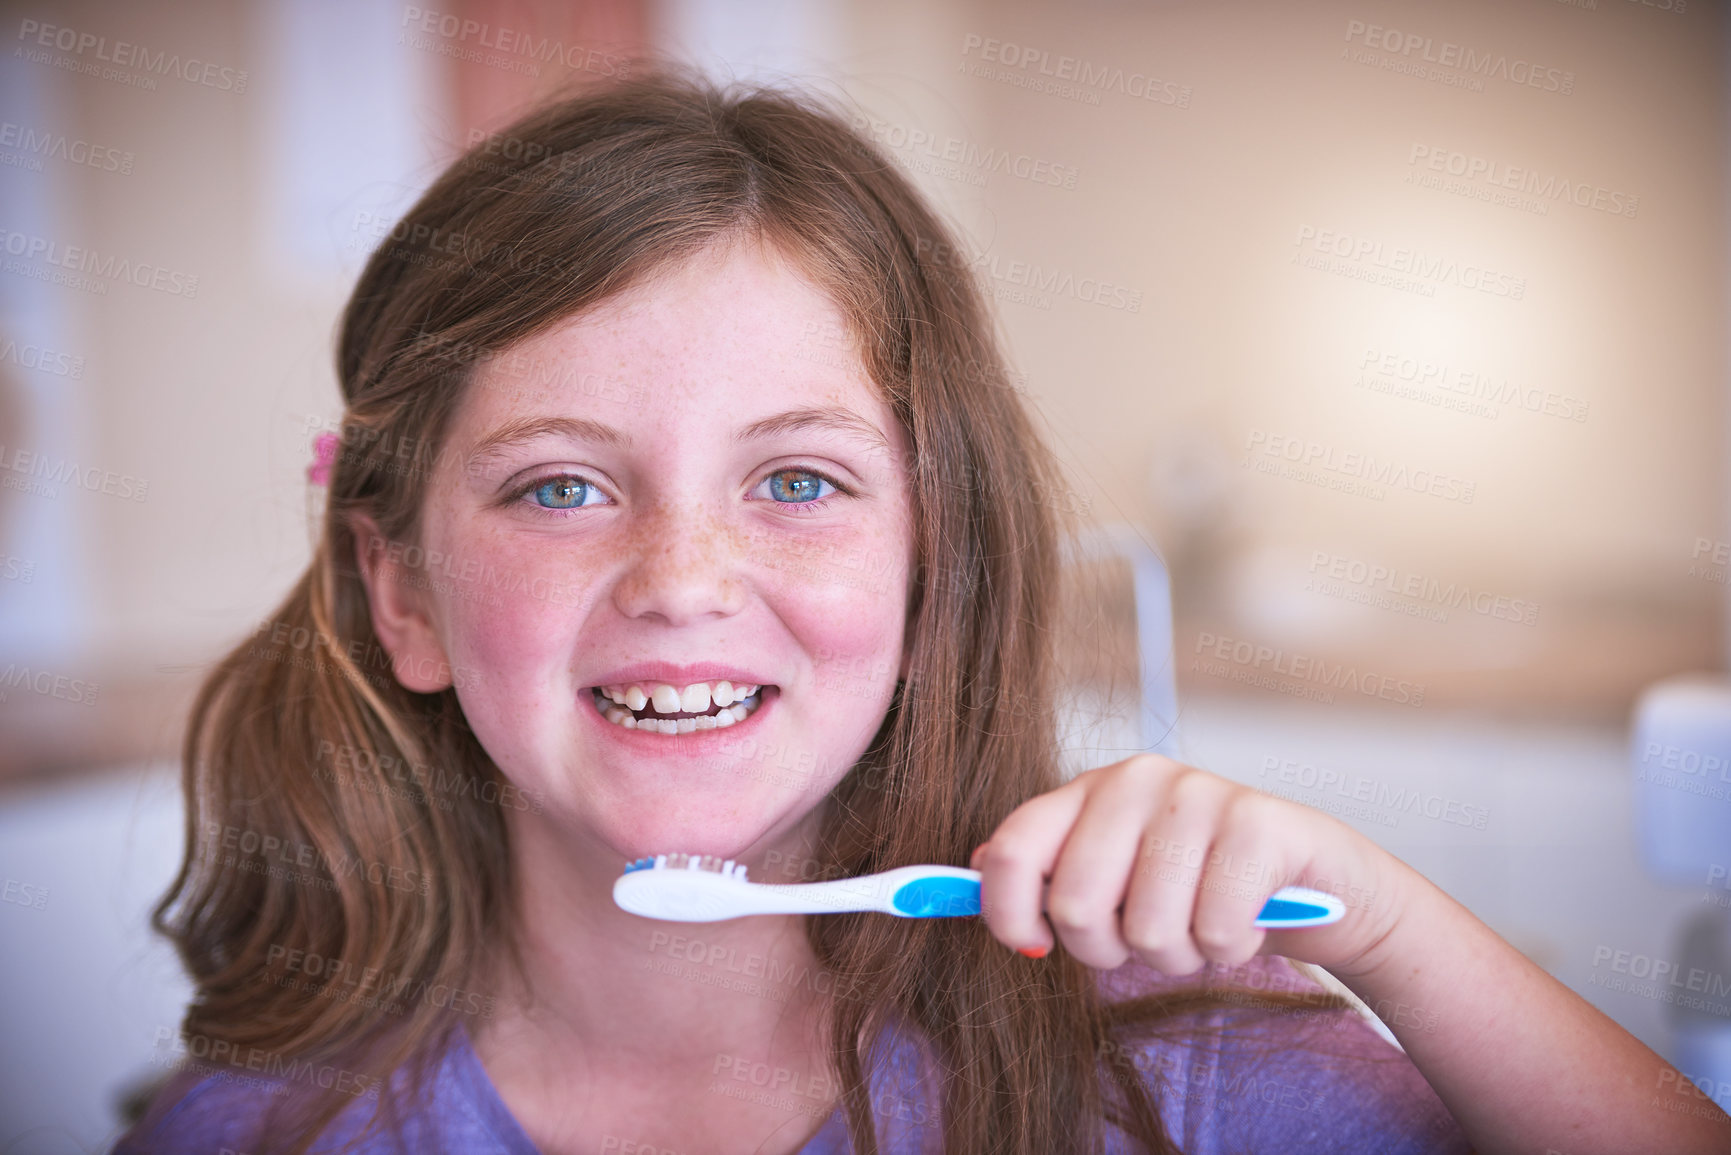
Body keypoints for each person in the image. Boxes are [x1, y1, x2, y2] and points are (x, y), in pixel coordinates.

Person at [114, 73, 1728, 1155]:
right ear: (400, 596)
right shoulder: (260, 1123)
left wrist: (1386, 927)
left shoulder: (1189, 1082)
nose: (683, 577)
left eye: (800, 482)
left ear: (929, 559)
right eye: (559, 487)